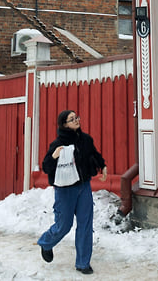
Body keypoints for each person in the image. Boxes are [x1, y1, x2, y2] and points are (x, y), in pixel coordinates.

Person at [37, 109, 107, 274]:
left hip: (83, 187)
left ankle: (83, 263)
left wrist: (102, 165)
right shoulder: (57, 144)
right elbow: (46, 167)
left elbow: (94, 154)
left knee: (85, 224)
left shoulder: (85, 140)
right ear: (64, 124)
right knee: (64, 225)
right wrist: (54, 156)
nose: (76, 120)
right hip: (65, 191)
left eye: (77, 117)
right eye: (72, 119)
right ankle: (46, 242)